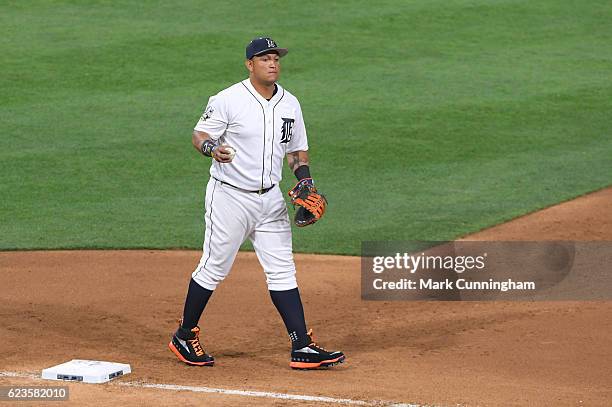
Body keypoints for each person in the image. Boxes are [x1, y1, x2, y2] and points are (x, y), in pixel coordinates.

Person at [168, 37, 345, 370]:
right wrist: (211, 150)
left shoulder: (290, 103)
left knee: (282, 271)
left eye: (276, 58)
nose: (273, 63)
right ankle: (184, 333)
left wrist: (305, 180)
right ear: (250, 64)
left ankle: (302, 346)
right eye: (265, 59)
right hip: (229, 197)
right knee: (214, 266)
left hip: (271, 200)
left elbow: (296, 151)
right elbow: (200, 134)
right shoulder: (228, 100)